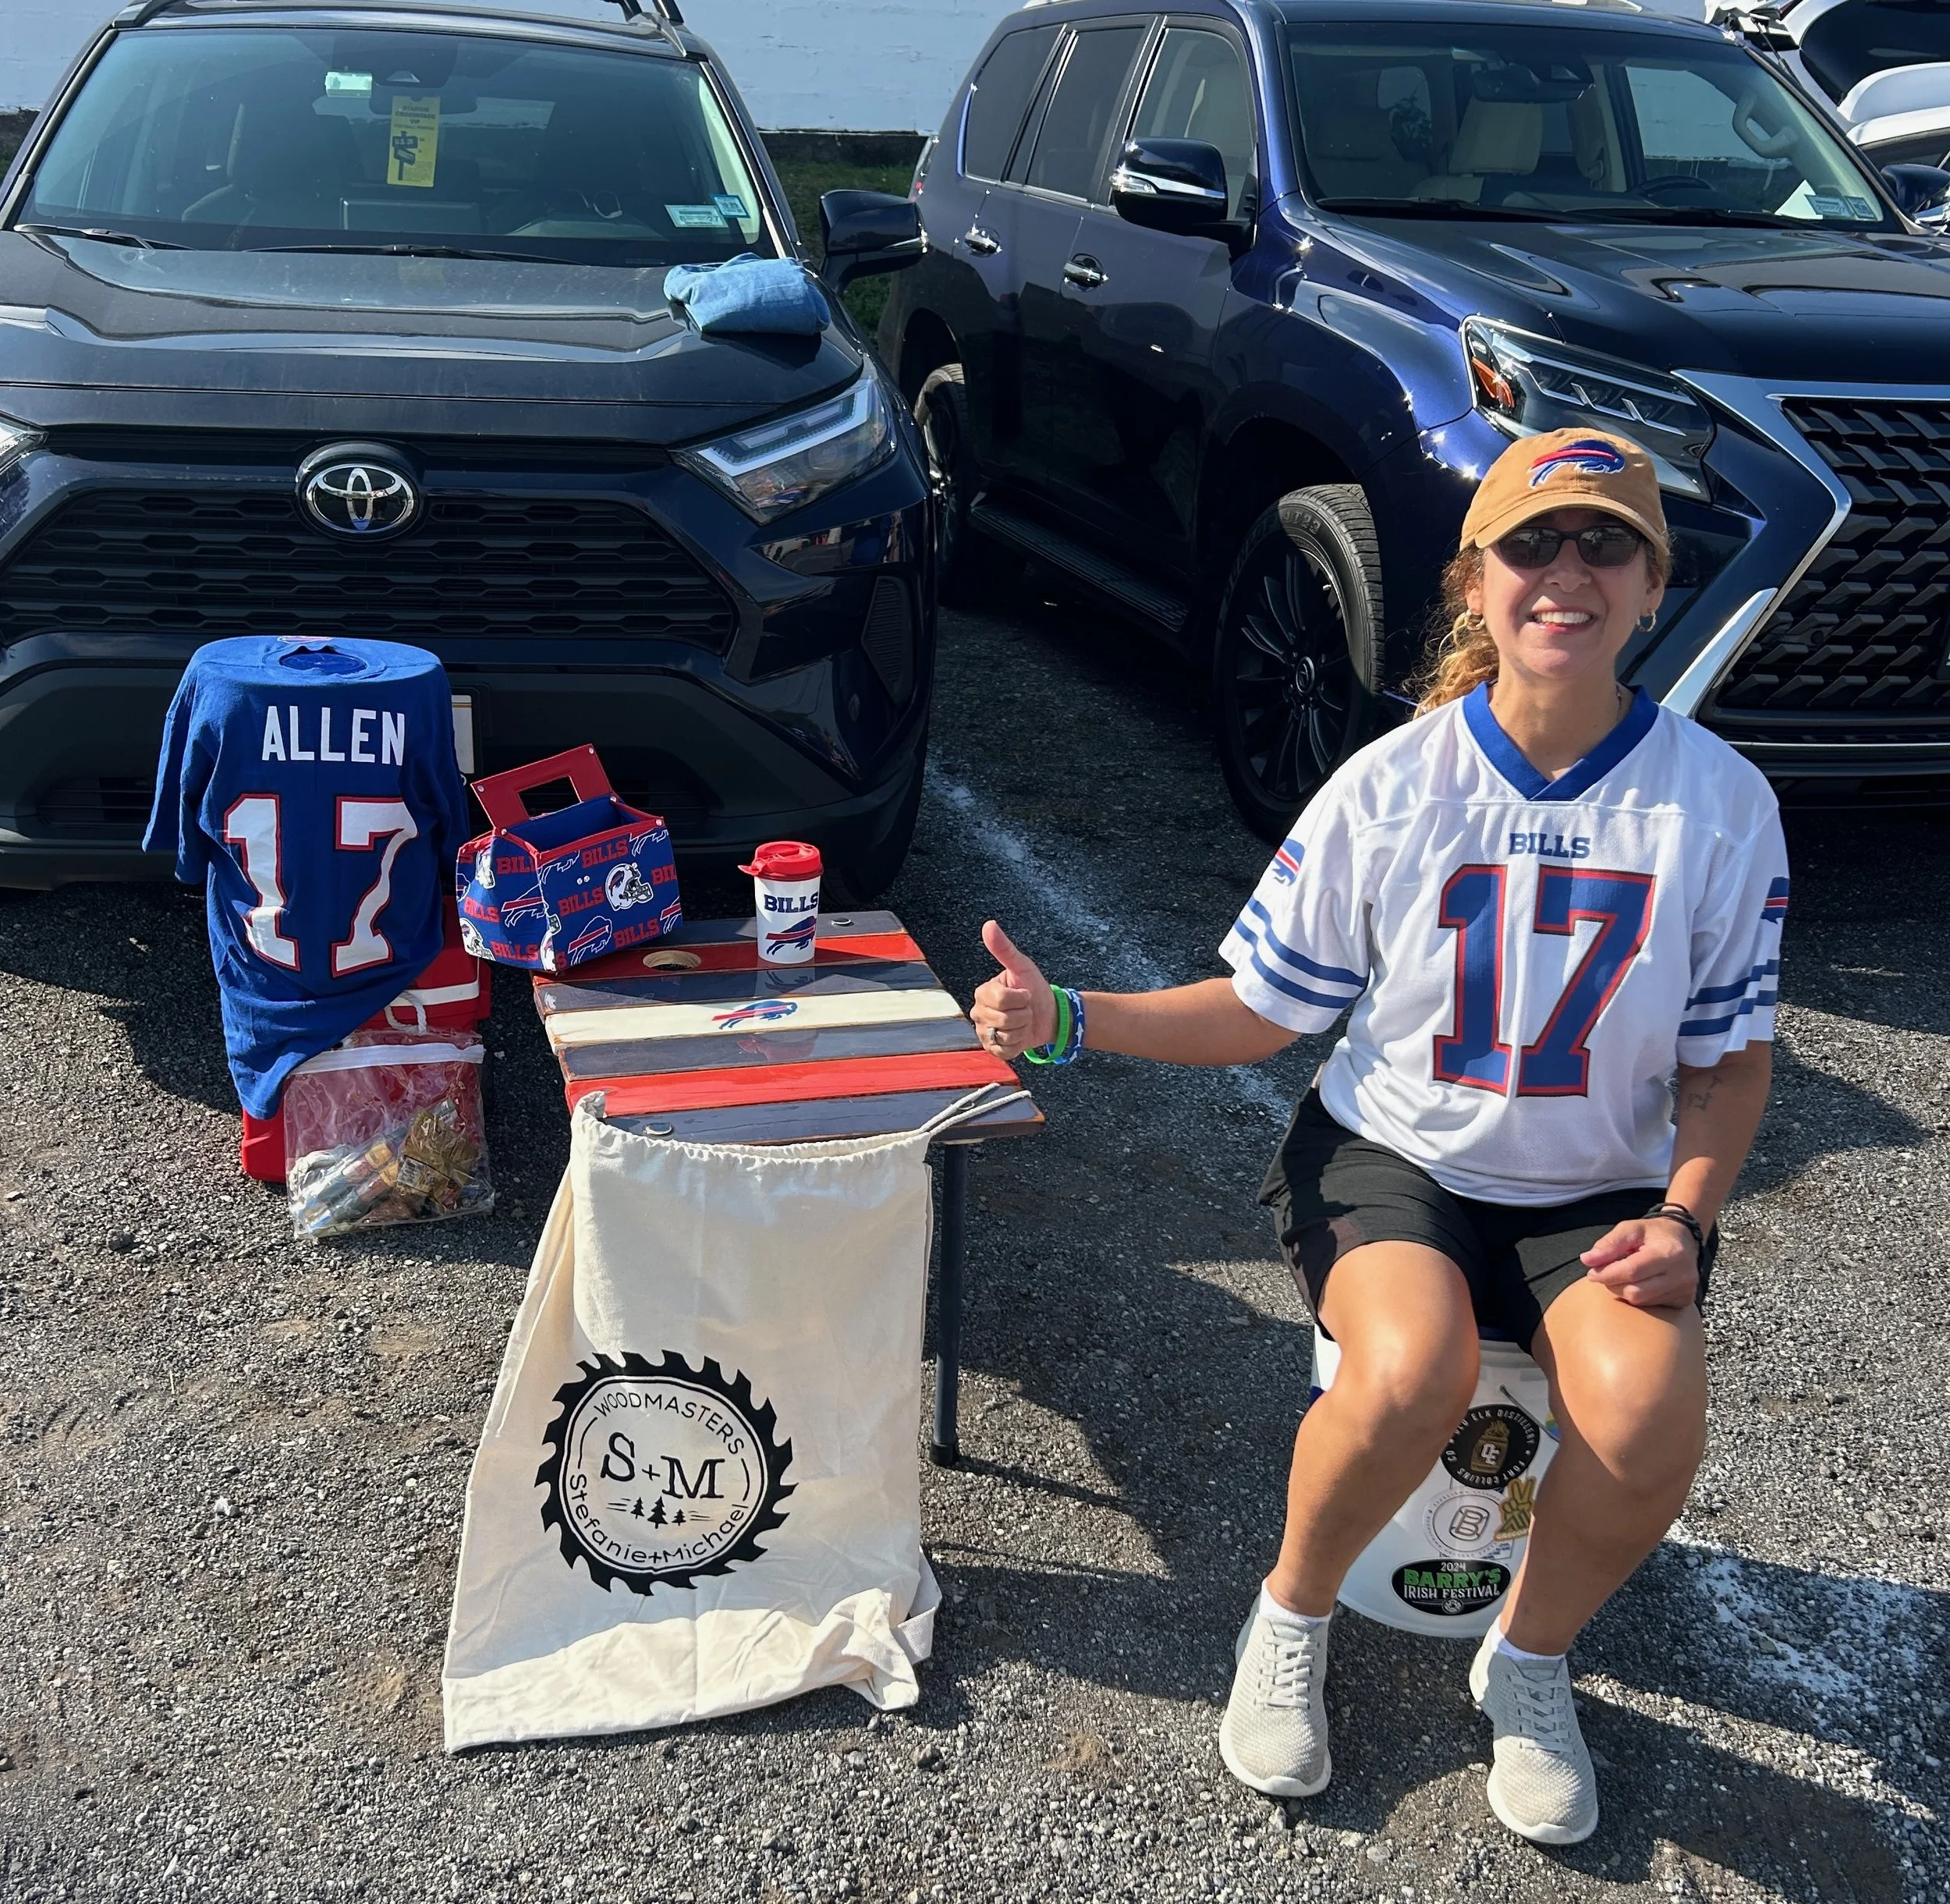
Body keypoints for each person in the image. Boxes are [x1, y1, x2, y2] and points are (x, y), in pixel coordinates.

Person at [969, 428, 1785, 1845]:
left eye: (1607, 545)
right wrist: (1068, 1020)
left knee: (1650, 1418)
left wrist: (1691, 1212)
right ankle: (1287, 1618)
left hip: (1594, 1188)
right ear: (1476, 583)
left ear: (1656, 586)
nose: (1568, 573)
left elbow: (1730, 1058)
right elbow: (1257, 1011)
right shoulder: (1391, 785)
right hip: (1389, 1156)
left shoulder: (1719, 803)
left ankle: (1526, 1663)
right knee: (1416, 1369)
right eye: (1534, 544)